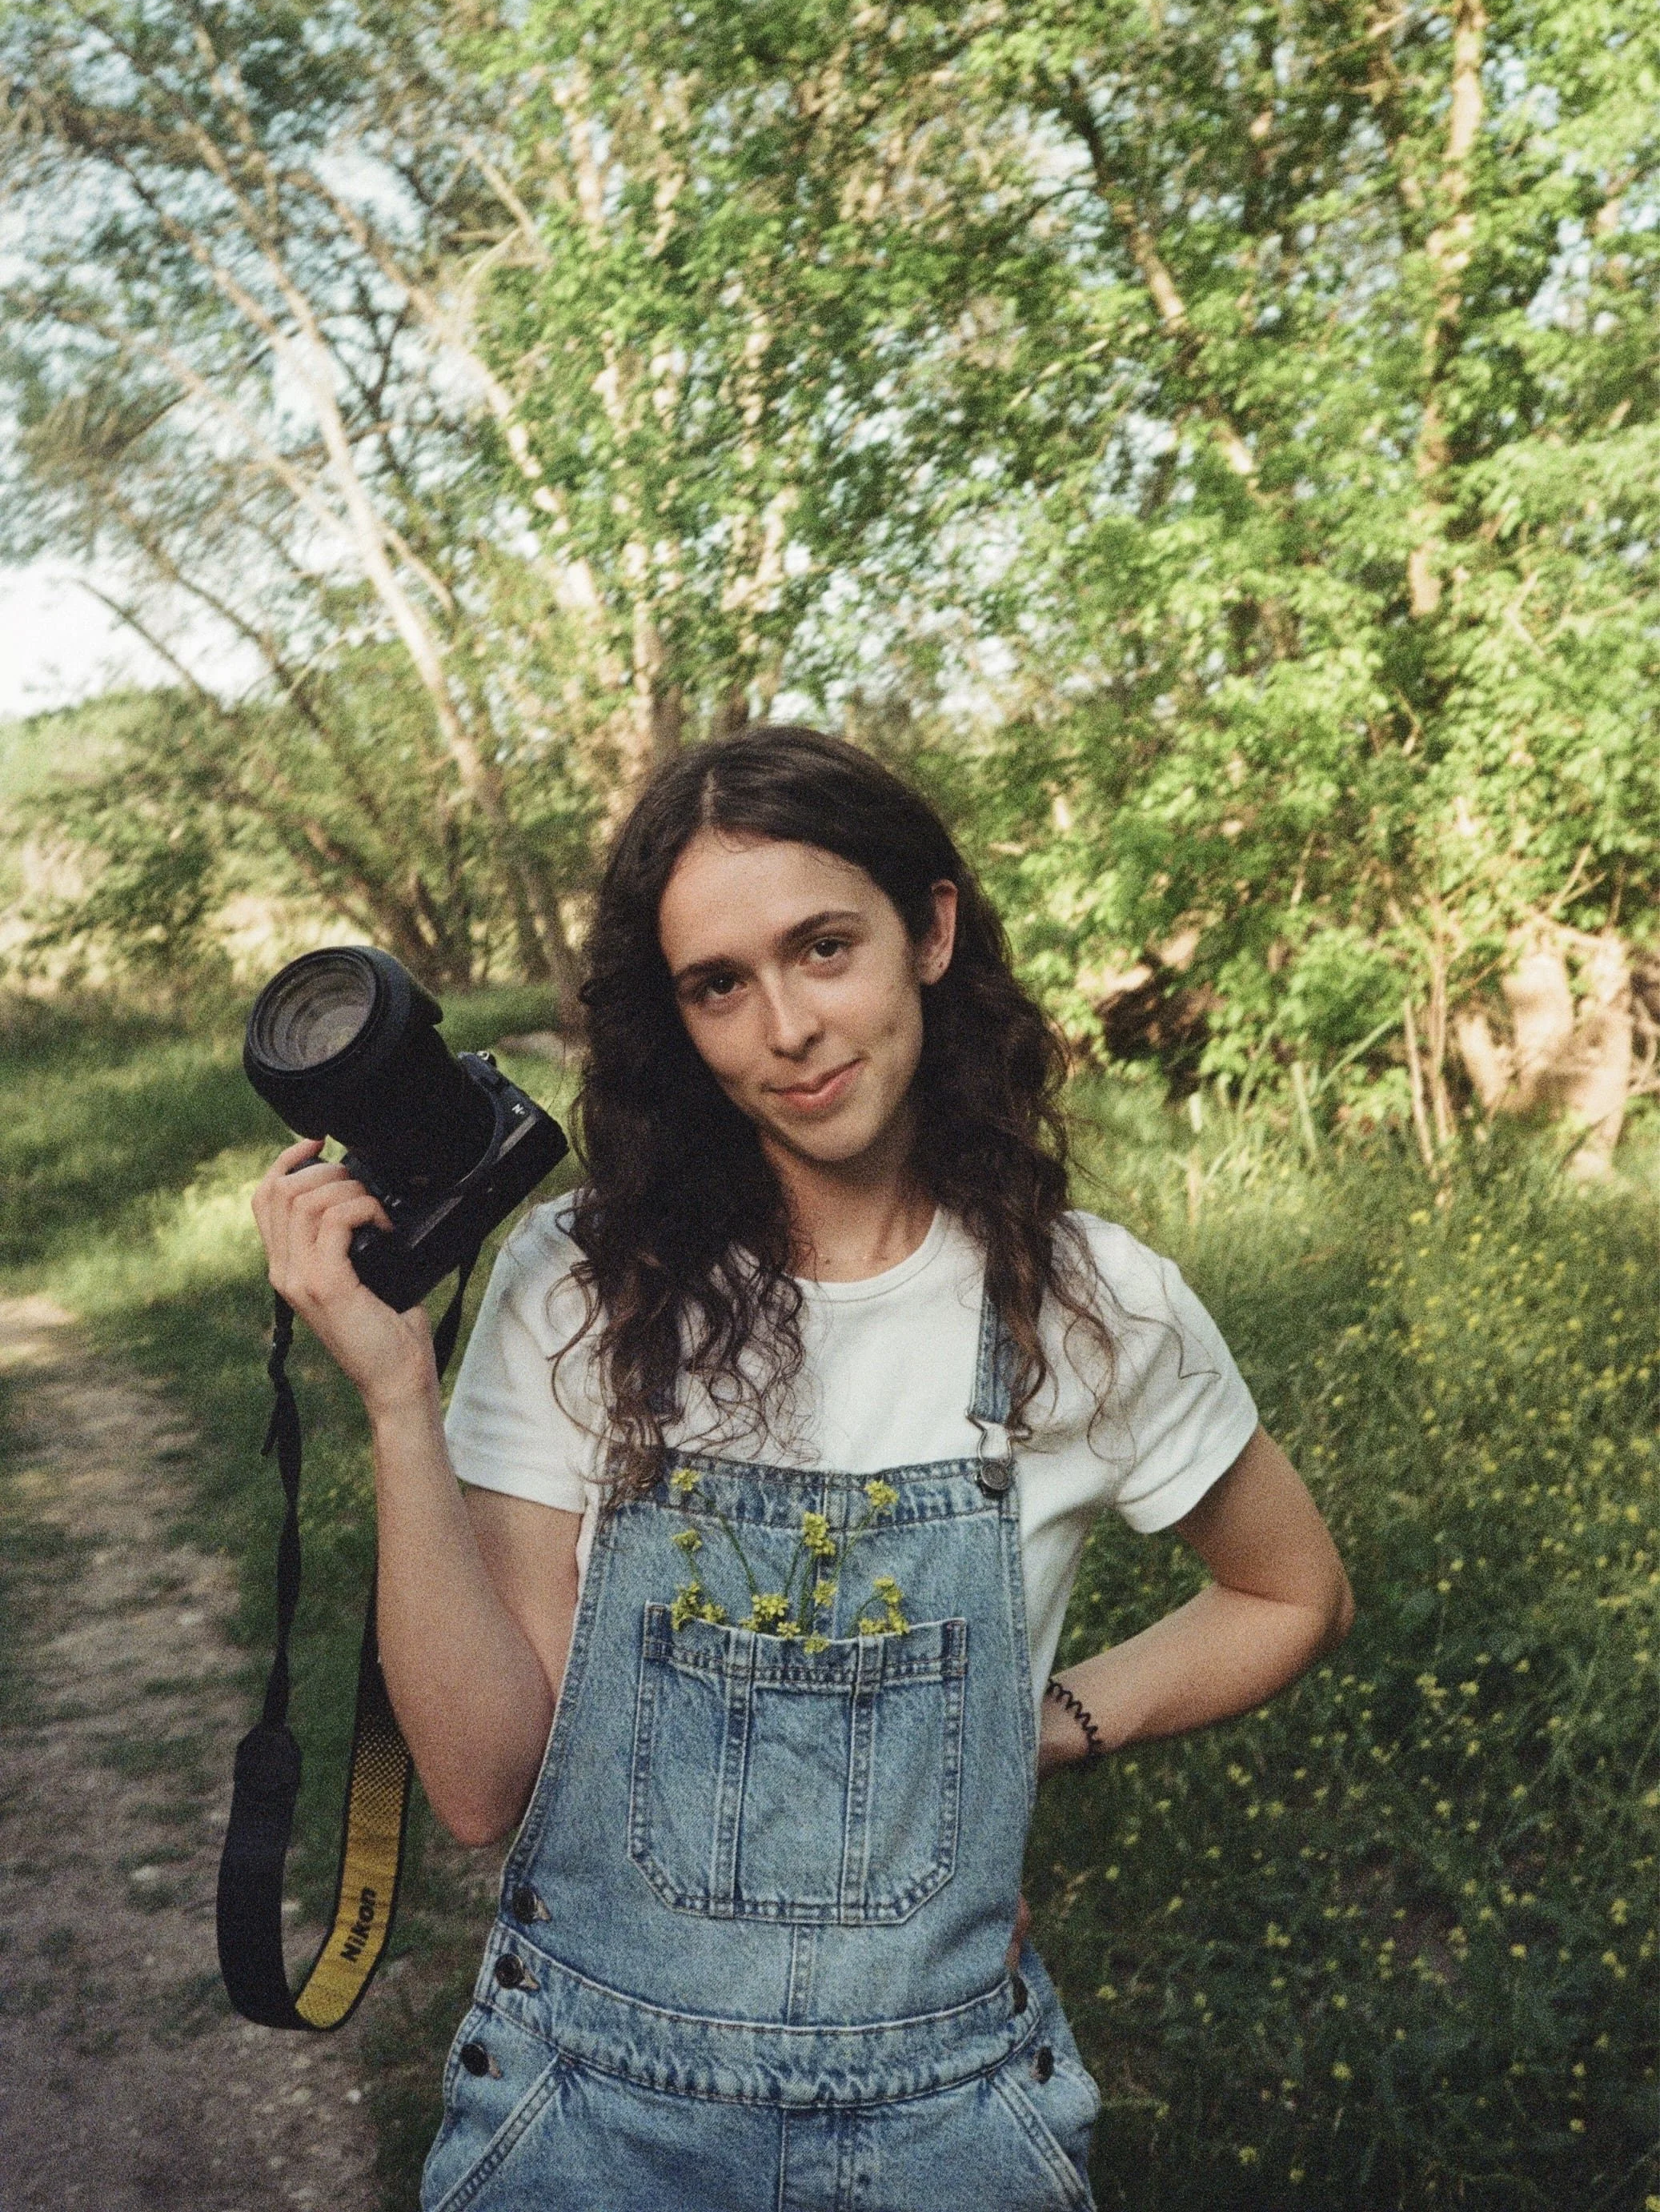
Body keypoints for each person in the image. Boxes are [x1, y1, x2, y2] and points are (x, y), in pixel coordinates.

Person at [253, 727, 1353, 2212]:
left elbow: (1288, 1594)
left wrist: (1031, 1728)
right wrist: (396, 1401)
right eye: (720, 983)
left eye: (824, 947)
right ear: (677, 1018)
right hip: (584, 2115)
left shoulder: (1091, 1305)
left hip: (952, 2123)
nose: (787, 1028)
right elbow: (476, 1783)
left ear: (933, 931)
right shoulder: (578, 1284)